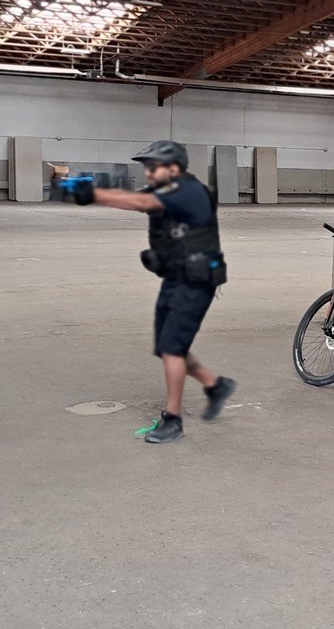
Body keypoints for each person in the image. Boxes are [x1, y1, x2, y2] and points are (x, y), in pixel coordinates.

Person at [68, 140, 236, 443]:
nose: (148, 173)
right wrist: (90, 191)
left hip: (196, 282)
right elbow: (130, 198)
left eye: (153, 167)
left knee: (172, 347)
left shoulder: (189, 191)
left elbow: (142, 204)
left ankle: (173, 420)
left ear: (173, 168)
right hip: (175, 279)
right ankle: (215, 384)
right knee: (168, 346)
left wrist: (91, 194)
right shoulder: (167, 190)